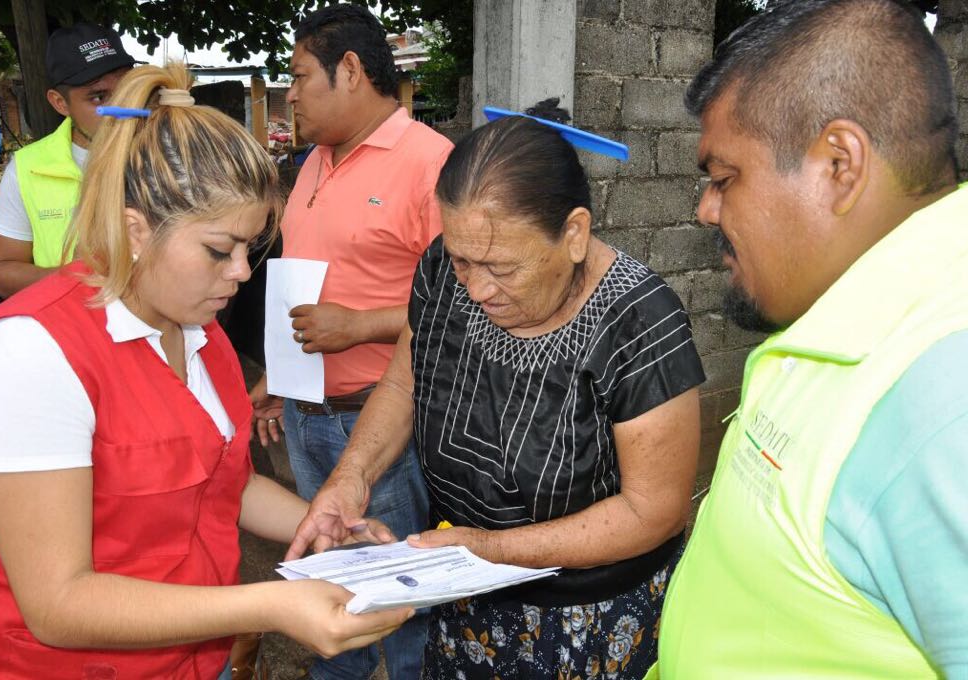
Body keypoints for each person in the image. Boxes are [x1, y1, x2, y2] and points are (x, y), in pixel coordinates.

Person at [0, 62, 413, 680]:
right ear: (135, 229)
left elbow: (223, 482)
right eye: (220, 250)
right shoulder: (25, 356)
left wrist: (318, 523)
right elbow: (57, 604)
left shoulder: (198, 331)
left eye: (251, 247)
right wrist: (271, 605)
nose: (241, 272)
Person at [286, 111, 707, 679]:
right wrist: (351, 477)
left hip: (585, 622)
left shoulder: (641, 323)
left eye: (502, 267)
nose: (478, 288)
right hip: (464, 596)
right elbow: (405, 382)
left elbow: (651, 511)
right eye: (464, 260)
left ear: (574, 234)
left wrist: (492, 549)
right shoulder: (442, 271)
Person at [645, 1, 968, 678]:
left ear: (839, 165)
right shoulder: (847, 317)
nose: (705, 208)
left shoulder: (945, 402)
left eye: (724, 178)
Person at [248, 5, 453, 678]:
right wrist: (279, 377)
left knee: (398, 595)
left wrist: (359, 326)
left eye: (300, 76)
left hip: (377, 424)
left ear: (352, 70)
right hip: (307, 414)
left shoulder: (431, 164)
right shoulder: (314, 162)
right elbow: (307, 280)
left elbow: (463, 305)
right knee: (332, 572)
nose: (292, 93)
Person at [0, 22, 135, 298]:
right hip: (68, 321)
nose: (121, 108)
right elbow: (4, 273)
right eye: (99, 97)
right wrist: (83, 278)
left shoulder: (165, 155)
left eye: (128, 89)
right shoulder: (28, 169)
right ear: (60, 103)